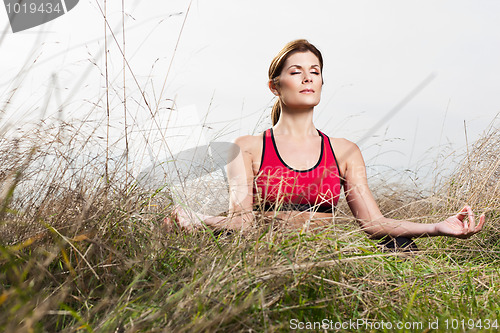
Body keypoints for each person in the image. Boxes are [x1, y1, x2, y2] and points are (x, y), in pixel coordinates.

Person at [165, 39, 485, 247]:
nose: (307, 78)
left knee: (399, 244)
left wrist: (438, 227)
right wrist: (199, 218)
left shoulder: (344, 151)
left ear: (321, 82)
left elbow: (374, 224)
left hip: (323, 263)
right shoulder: (248, 147)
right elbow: (242, 221)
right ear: (275, 86)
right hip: (266, 261)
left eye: (315, 72)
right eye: (296, 72)